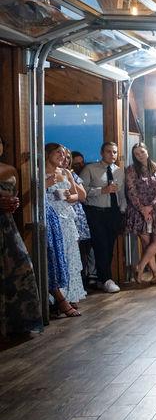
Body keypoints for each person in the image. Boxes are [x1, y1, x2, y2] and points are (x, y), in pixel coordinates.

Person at [1, 133, 44, 335]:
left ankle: (19, 322)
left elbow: (14, 195)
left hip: (7, 225)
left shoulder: (10, 170)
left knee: (21, 267)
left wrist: (15, 203)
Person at [79, 141, 125, 293]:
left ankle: (102, 278)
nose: (112, 155)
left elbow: (122, 194)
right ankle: (106, 279)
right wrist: (102, 190)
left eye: (115, 152)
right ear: (102, 153)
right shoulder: (90, 169)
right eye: (109, 152)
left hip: (113, 213)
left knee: (110, 246)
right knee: (101, 246)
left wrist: (122, 210)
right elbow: (82, 191)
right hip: (96, 212)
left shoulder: (119, 171)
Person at [45, 143, 86, 307]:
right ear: (48, 154)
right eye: (58, 153)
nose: (62, 156)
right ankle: (58, 298)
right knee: (57, 257)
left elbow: (78, 195)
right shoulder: (40, 172)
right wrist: (46, 185)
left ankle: (72, 295)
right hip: (52, 217)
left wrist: (71, 197)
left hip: (68, 218)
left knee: (71, 256)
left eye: (63, 154)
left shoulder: (66, 172)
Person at [125, 142, 156, 285]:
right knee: (147, 243)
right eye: (136, 154)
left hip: (155, 209)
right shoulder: (131, 170)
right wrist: (142, 209)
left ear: (147, 151)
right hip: (138, 210)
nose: (140, 155)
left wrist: (151, 206)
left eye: (142, 152)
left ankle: (140, 267)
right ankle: (155, 274)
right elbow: (131, 191)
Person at [62, 147, 92, 290]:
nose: (65, 160)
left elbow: (82, 195)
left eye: (68, 158)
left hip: (78, 218)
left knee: (82, 252)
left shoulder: (72, 176)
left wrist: (70, 179)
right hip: (62, 217)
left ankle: (81, 282)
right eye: (64, 157)